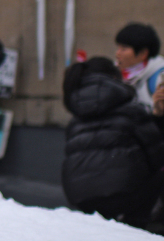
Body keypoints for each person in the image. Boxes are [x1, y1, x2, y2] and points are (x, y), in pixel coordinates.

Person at [62, 57, 164, 231]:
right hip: (127, 196)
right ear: (114, 78)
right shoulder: (131, 110)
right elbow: (158, 154)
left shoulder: (75, 120)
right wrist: (158, 117)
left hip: (81, 195)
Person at [114, 23, 164, 120]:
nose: (118, 53)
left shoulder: (158, 77)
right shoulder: (112, 73)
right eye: (118, 48)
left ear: (143, 53)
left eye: (123, 49)